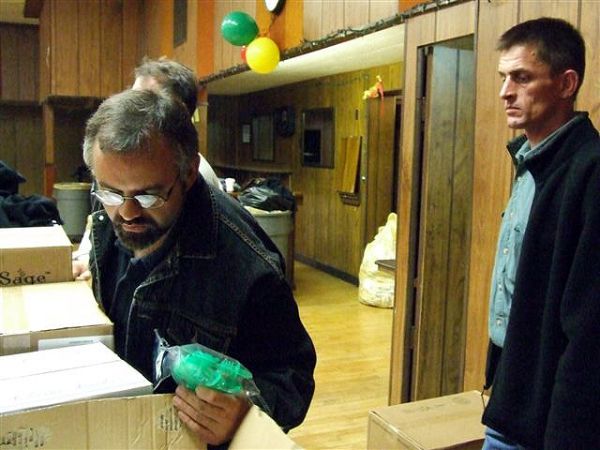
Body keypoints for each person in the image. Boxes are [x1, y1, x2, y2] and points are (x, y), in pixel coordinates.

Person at [81, 88, 316, 446]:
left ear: (189, 172)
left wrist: (246, 413)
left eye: (148, 195)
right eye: (111, 192)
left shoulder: (247, 267)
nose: (127, 213)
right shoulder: (108, 214)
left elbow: (293, 378)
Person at [481, 17, 600, 449]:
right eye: (503, 77)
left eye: (522, 77)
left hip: (549, 421)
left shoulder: (590, 171)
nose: (505, 92)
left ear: (566, 83)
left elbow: (588, 329)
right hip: (512, 399)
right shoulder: (532, 162)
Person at [73, 57, 221, 280]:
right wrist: (89, 257)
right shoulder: (112, 164)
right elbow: (100, 221)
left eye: (148, 195)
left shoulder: (198, 178)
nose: (127, 212)